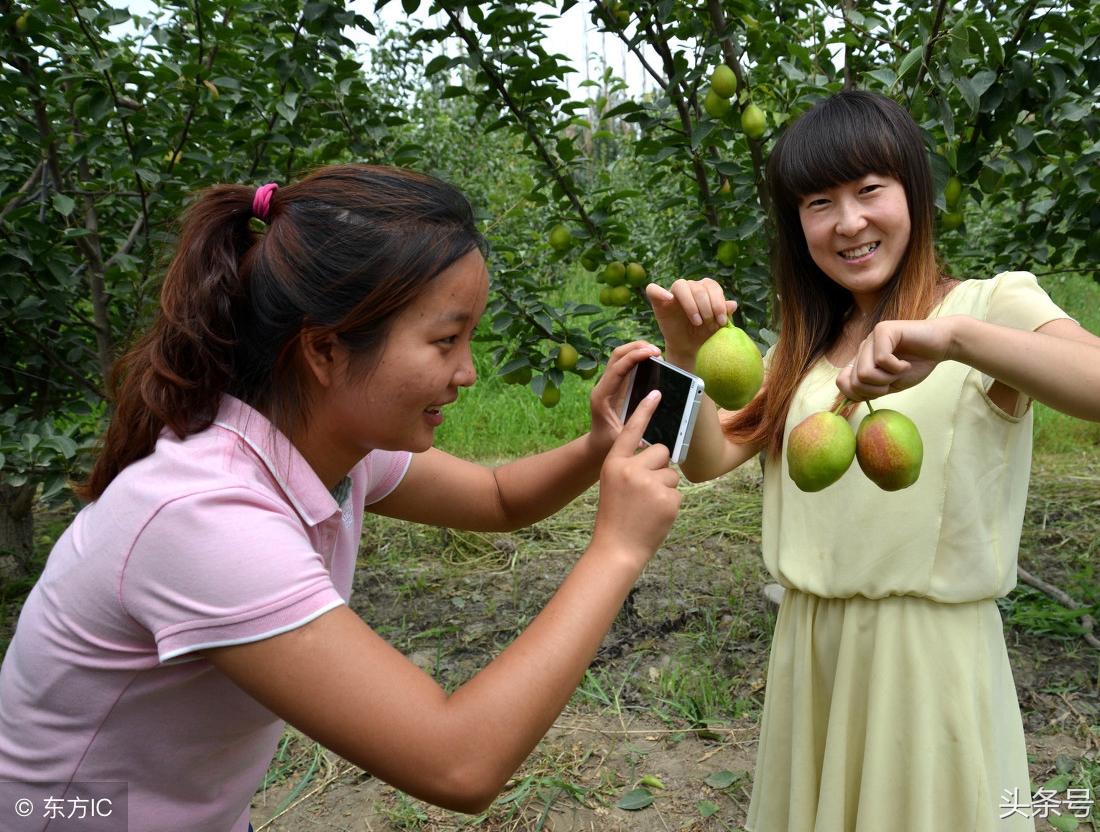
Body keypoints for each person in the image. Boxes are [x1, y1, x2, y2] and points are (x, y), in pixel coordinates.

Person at [0, 165, 683, 832]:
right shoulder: (204, 518)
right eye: (446, 340)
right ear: (325, 351)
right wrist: (617, 549)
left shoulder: (324, 447)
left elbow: (498, 498)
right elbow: (458, 763)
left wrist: (598, 446)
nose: (468, 372)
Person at [645, 90, 1100, 831]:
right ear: (798, 224)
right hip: (811, 649)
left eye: (869, 191)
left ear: (913, 194)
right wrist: (683, 355)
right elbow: (705, 459)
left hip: (931, 658)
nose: (849, 222)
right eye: (819, 202)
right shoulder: (801, 348)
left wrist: (951, 339)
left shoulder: (991, 307)